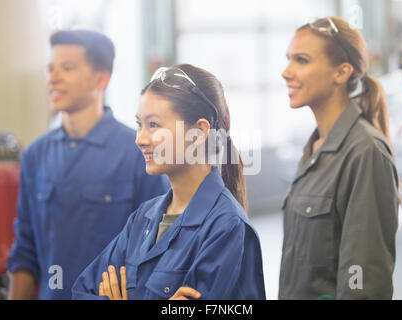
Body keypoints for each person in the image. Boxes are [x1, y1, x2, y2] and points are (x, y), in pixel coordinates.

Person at [71, 64, 266, 300]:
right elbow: (82, 291)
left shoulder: (226, 227)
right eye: (139, 125)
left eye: (154, 125)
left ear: (199, 132)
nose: (140, 139)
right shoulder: (143, 218)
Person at [7, 30, 169, 300]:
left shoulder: (139, 153)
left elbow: (160, 251)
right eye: (51, 69)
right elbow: (25, 251)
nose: (53, 78)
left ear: (101, 79)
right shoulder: (35, 156)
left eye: (67, 68)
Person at [279, 17, 398, 299]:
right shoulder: (315, 148)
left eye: (302, 60)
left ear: (342, 72)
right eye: (288, 59)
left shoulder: (365, 152)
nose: (286, 72)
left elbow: (364, 280)